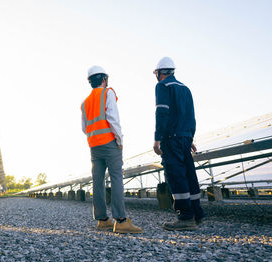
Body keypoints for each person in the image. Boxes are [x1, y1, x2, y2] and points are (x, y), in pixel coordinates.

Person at [81, 65, 142, 234]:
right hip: (109, 142)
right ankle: (121, 221)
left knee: (98, 181)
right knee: (116, 178)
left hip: (94, 145)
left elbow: (84, 128)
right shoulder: (107, 93)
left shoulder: (85, 102)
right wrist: (119, 139)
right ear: (104, 79)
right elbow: (112, 118)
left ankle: (102, 220)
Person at [152, 57, 205, 231]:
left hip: (171, 138)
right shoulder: (185, 88)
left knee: (176, 175)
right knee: (190, 174)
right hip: (185, 136)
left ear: (160, 73)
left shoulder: (162, 86)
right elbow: (192, 116)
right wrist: (190, 138)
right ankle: (196, 214)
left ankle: (185, 217)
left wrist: (157, 138)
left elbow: (162, 113)